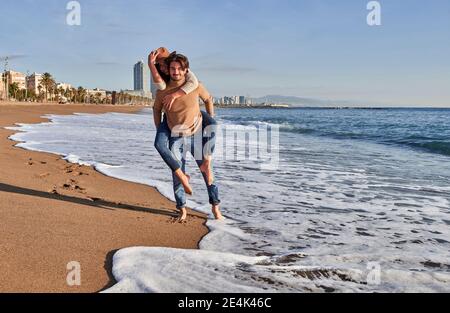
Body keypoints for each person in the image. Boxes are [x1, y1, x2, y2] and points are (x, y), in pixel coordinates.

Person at [153, 53, 224, 222]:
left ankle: (215, 206)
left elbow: (208, 99)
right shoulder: (163, 91)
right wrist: (159, 129)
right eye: (173, 68)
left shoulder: (195, 86)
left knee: (207, 172)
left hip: (196, 135)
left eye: (179, 69)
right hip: (175, 137)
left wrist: (210, 118)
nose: (176, 72)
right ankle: (182, 208)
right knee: (178, 174)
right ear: (168, 70)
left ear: (186, 70)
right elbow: (156, 109)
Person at [149, 48, 216, 185]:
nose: (164, 68)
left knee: (212, 124)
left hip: (195, 121)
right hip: (173, 126)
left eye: (164, 64)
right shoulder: (164, 81)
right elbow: (159, 92)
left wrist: (175, 95)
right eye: (159, 66)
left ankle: (207, 163)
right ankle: (181, 181)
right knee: (159, 144)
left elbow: (195, 84)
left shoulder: (187, 74)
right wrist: (151, 64)